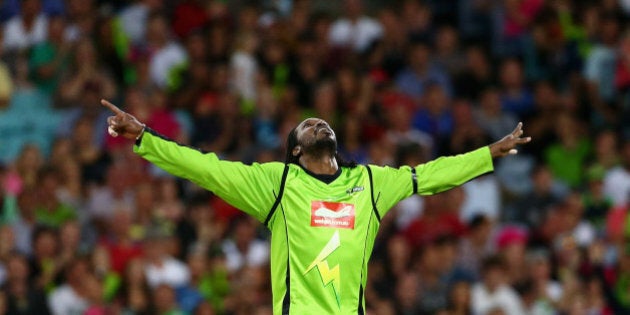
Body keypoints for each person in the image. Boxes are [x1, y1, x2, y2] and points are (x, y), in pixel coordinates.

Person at [102, 98, 531, 315]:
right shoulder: (278, 182)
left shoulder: (369, 181)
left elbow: (430, 176)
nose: (318, 123)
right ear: (294, 150)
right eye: (306, 126)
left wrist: (487, 154)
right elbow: (207, 169)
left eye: (322, 123)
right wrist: (145, 137)